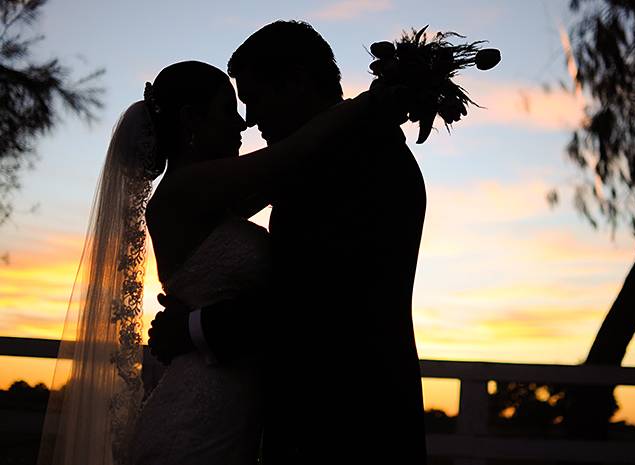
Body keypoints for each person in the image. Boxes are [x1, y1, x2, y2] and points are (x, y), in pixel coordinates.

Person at [38, 58, 408, 465]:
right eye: (228, 109)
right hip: (199, 417)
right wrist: (371, 102)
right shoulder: (185, 189)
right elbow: (289, 157)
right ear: (191, 120)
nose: (242, 124)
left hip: (226, 405)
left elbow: (287, 175)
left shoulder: (215, 198)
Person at [148, 21, 428, 465]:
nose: (251, 119)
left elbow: (324, 296)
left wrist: (194, 327)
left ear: (296, 81)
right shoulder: (316, 160)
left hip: (351, 429)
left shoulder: (363, 156)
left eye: (254, 98)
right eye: (236, 107)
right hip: (300, 426)